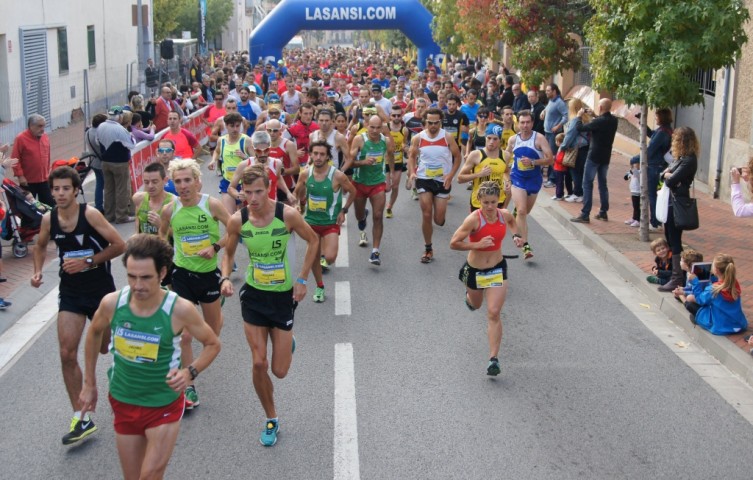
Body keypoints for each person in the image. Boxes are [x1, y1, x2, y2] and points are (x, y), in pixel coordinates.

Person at [79, 234, 220, 480]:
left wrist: (190, 372)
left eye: (146, 277)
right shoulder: (113, 303)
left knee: (149, 476)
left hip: (163, 403)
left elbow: (212, 344)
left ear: (162, 273)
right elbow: (93, 335)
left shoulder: (179, 309)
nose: (138, 285)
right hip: (123, 400)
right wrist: (89, 383)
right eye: (131, 276)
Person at [220, 164, 319, 447]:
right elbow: (227, 254)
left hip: (282, 297)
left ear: (269, 189)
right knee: (259, 362)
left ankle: (289, 342)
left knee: (280, 371)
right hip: (253, 295)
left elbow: (313, 241)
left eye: (258, 191)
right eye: (247, 192)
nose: (253, 198)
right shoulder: (237, 221)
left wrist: (302, 279)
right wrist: (225, 277)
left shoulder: (286, 215)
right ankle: (271, 417)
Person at [31, 166, 126, 445]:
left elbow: (119, 244)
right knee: (66, 352)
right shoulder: (50, 219)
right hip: (71, 293)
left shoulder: (90, 214)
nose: (60, 194)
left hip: (100, 293)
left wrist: (87, 261)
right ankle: (81, 417)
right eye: (55, 189)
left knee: (106, 347)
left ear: (75, 191)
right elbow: (39, 246)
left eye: (65, 189)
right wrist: (36, 272)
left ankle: (129, 389)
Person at [159, 159, 231, 409]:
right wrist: (162, 268)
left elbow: (234, 229)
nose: (183, 185)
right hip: (181, 276)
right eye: (178, 181)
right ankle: (189, 386)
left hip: (208, 276)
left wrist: (215, 247)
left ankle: (216, 308)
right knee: (185, 335)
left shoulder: (210, 204)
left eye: (187, 180)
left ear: (198, 180)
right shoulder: (170, 210)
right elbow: (162, 239)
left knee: (211, 333)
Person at [450, 181, 524, 376]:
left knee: (493, 312)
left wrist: (516, 235)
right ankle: (469, 297)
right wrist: (477, 245)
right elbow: (454, 243)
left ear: (498, 200)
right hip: (475, 271)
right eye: (485, 203)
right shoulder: (473, 220)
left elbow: (512, 222)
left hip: (497, 269)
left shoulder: (504, 214)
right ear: (479, 201)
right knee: (476, 305)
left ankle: (493, 359)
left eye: (493, 202)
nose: (490, 207)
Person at [293, 140, 356, 301]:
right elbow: (297, 192)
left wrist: (344, 210)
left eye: (322, 154)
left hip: (329, 223)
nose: (318, 157)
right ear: (311, 155)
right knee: (313, 255)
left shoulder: (337, 176)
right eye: (315, 154)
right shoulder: (305, 173)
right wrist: (297, 204)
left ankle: (321, 258)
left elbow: (353, 192)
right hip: (311, 222)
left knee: (329, 257)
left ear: (328, 157)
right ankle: (319, 286)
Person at [407, 107, 462, 263]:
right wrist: (412, 172)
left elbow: (458, 157)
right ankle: (428, 248)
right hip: (423, 178)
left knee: (438, 220)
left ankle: (439, 218)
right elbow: (411, 157)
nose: (433, 126)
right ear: (425, 122)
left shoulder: (448, 137)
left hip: (441, 180)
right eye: (430, 123)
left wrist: (451, 175)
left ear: (440, 122)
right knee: (426, 213)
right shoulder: (418, 138)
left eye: (436, 123)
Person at [505, 110, 553, 260]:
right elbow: (505, 158)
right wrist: (505, 176)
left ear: (532, 123)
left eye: (527, 122)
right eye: (522, 122)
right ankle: (525, 245)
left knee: (525, 212)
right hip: (517, 177)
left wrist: (533, 162)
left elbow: (550, 159)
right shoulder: (513, 140)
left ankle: (516, 213)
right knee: (521, 210)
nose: (525, 125)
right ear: (517, 124)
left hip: (534, 180)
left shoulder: (539, 138)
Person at [349, 115, 395, 265]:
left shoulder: (385, 141)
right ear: (367, 125)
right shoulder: (359, 140)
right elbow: (350, 163)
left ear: (382, 127)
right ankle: (362, 219)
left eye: (378, 127)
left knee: (378, 215)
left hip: (377, 183)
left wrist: (391, 176)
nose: (375, 130)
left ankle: (375, 251)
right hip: (360, 183)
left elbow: (390, 156)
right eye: (372, 127)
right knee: (359, 215)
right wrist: (363, 162)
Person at [657, 127, 699, 292]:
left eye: (676, 139)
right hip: (670, 202)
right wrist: (667, 175)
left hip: (677, 203)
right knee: (669, 236)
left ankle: (677, 278)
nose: (673, 142)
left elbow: (669, 179)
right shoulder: (680, 158)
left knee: (674, 240)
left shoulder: (689, 160)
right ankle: (675, 273)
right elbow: (663, 175)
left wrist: (668, 175)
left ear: (682, 141)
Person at [569, 98, 619, 223]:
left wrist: (579, 116)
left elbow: (580, 128)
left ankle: (585, 213)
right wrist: (594, 115)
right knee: (603, 184)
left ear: (601, 108)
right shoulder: (614, 120)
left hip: (594, 156)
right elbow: (601, 123)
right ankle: (603, 212)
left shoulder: (599, 122)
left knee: (587, 183)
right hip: (605, 156)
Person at [684, 253, 748, 335]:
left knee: (690, 306)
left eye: (713, 265)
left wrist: (695, 282)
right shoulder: (734, 283)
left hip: (720, 327)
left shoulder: (713, 289)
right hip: (739, 324)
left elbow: (700, 299)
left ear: (716, 270)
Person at [632, 108, 674, 229]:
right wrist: (642, 122)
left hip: (655, 166)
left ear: (662, 117)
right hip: (659, 166)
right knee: (655, 194)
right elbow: (652, 135)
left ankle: (655, 222)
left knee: (652, 195)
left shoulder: (662, 132)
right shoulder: (665, 130)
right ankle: (656, 221)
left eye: (657, 116)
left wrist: (634, 159)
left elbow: (650, 151)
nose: (655, 118)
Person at [457, 123, 510, 211]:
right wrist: (479, 174)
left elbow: (506, 171)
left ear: (500, 140)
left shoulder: (506, 156)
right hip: (479, 201)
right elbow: (459, 179)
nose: (491, 142)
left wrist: (508, 181)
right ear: (485, 138)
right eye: (489, 138)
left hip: (498, 200)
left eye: (495, 139)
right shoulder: (476, 155)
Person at [209, 112, 252, 216]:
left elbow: (255, 160)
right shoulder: (221, 140)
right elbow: (217, 151)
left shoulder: (246, 140)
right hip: (227, 182)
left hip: (244, 184)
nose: (235, 129)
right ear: (226, 126)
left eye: (237, 126)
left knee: (243, 217)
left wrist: (245, 157)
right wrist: (213, 160)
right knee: (229, 216)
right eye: (232, 126)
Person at [98, 107, 136, 224]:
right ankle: (121, 215)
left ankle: (109, 215)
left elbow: (97, 140)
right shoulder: (120, 129)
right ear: (119, 117)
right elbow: (131, 145)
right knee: (122, 189)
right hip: (119, 162)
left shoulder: (101, 126)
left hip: (105, 162)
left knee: (108, 189)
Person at [12, 114, 54, 207]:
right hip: (28, 181)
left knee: (50, 206)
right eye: (39, 126)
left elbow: (47, 156)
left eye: (44, 126)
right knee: (28, 209)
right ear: (31, 126)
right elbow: (15, 159)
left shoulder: (45, 137)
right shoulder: (21, 138)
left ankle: (47, 221)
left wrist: (47, 172)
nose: (43, 129)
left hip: (44, 180)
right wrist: (20, 176)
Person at [561, 98, 591, 203]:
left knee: (575, 172)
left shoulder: (575, 120)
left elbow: (570, 135)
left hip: (576, 149)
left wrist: (563, 147)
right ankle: (580, 192)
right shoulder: (586, 119)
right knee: (581, 172)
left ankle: (578, 193)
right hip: (585, 148)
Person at [133, 162, 175, 236]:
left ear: (165, 180)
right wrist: (136, 234)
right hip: (145, 246)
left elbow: (181, 236)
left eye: (155, 182)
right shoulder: (139, 199)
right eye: (146, 182)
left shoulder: (174, 202)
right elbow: (138, 219)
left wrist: (161, 225)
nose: (150, 186)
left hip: (165, 247)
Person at [383, 104, 409, 217]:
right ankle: (382, 203)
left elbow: (404, 143)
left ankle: (389, 207)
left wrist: (406, 149)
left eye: (399, 115)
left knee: (395, 186)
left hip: (398, 161)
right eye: (394, 115)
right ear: (390, 116)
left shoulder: (404, 130)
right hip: (385, 161)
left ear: (402, 116)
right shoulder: (385, 128)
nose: (397, 117)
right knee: (387, 188)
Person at [541, 83, 568, 188]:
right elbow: (548, 109)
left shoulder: (559, 102)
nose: (546, 92)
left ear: (554, 91)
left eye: (548, 90)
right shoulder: (551, 101)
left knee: (552, 156)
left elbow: (565, 117)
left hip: (554, 134)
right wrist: (543, 112)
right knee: (548, 155)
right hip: (547, 132)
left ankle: (553, 179)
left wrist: (558, 126)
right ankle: (549, 178)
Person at [85, 113, 108, 213]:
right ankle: (102, 205)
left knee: (99, 183)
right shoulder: (99, 133)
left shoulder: (89, 131)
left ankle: (98, 205)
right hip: (100, 162)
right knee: (105, 185)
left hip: (93, 161)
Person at [551, 133, 573, 201]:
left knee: (559, 182)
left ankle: (559, 195)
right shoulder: (563, 148)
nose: (556, 143)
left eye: (557, 141)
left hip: (559, 168)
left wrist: (554, 158)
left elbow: (560, 159)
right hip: (561, 167)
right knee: (564, 181)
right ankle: (568, 193)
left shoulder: (562, 149)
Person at [624, 156, 641, 226]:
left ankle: (638, 220)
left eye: (635, 164)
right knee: (634, 206)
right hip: (633, 191)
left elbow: (637, 175)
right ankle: (634, 218)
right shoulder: (633, 171)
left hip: (638, 191)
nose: (633, 166)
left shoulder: (640, 171)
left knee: (637, 206)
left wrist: (633, 170)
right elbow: (626, 177)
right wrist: (629, 173)